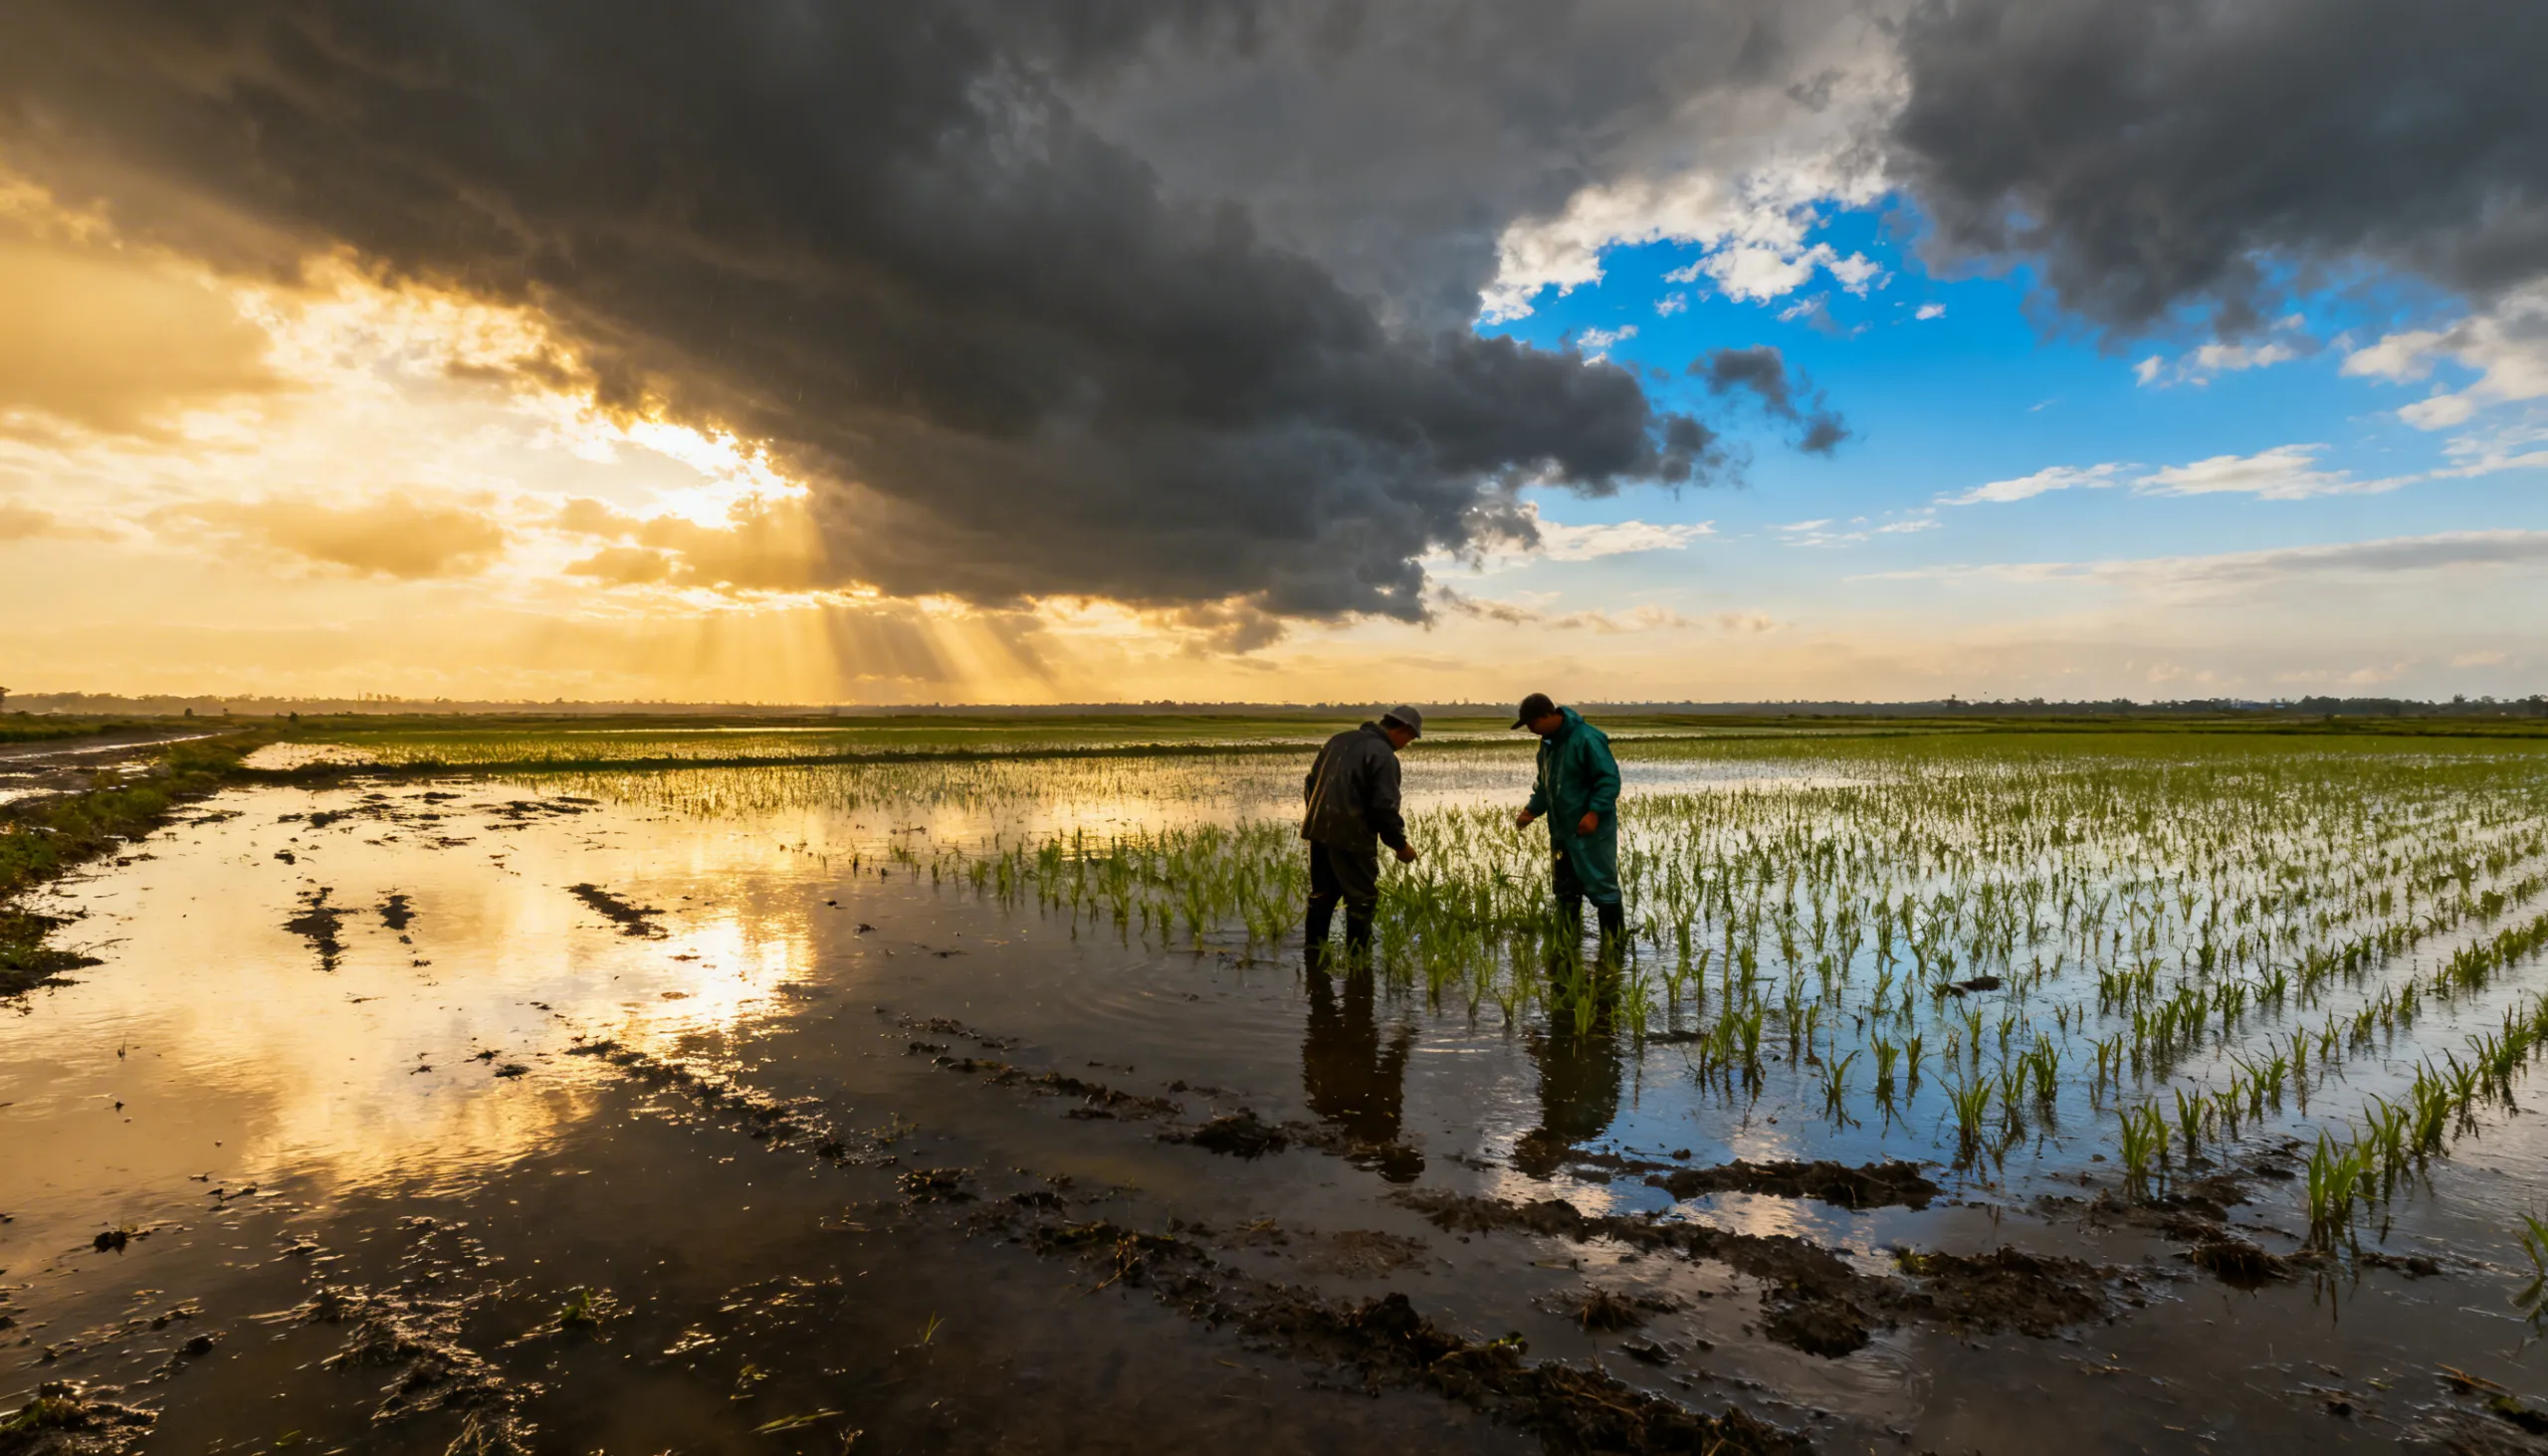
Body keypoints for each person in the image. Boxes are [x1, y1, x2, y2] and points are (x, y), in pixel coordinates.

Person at [1301, 706, 1422, 960]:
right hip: (1353, 838)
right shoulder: (1384, 755)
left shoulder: (1338, 740)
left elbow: (1310, 784)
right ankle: (1358, 962)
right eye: (1409, 739)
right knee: (1362, 900)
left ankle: (1314, 956)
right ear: (1402, 729)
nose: (1405, 745)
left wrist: (1321, 819)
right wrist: (1400, 846)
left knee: (1322, 896)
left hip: (1319, 832)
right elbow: (1384, 809)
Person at [1511, 692, 1624, 954]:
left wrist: (1594, 813)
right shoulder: (1548, 746)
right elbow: (1545, 785)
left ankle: (1615, 949)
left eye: (1531, 724)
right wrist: (1531, 811)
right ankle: (1566, 949)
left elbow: (1608, 780)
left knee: (1602, 887)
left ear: (1548, 716)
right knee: (1565, 891)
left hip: (1591, 833)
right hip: (1561, 832)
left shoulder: (1587, 738)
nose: (1530, 730)